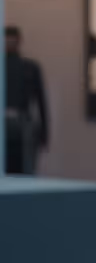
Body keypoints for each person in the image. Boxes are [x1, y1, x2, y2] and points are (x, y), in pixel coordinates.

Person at [5, 26, 50, 175]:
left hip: (23, 120)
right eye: (6, 39)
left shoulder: (30, 67)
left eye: (12, 39)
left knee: (26, 168)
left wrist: (45, 133)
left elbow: (41, 101)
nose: (9, 42)